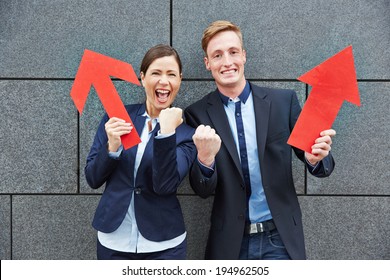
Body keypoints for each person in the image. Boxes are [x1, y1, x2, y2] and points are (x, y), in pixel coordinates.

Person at [184, 20, 336, 260]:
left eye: (233, 52)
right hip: (231, 244)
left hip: (280, 240)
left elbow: (321, 167)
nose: (227, 62)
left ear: (244, 56)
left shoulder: (283, 102)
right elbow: (202, 189)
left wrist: (314, 158)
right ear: (207, 63)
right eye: (217, 55)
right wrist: (205, 158)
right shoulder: (197, 114)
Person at [85, 44, 196, 260]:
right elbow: (92, 178)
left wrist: (166, 133)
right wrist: (112, 147)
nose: (164, 81)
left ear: (179, 80)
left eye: (171, 74)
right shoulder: (117, 117)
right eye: (156, 73)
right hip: (113, 241)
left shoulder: (185, 134)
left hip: (164, 246)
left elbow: (165, 185)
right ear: (142, 77)